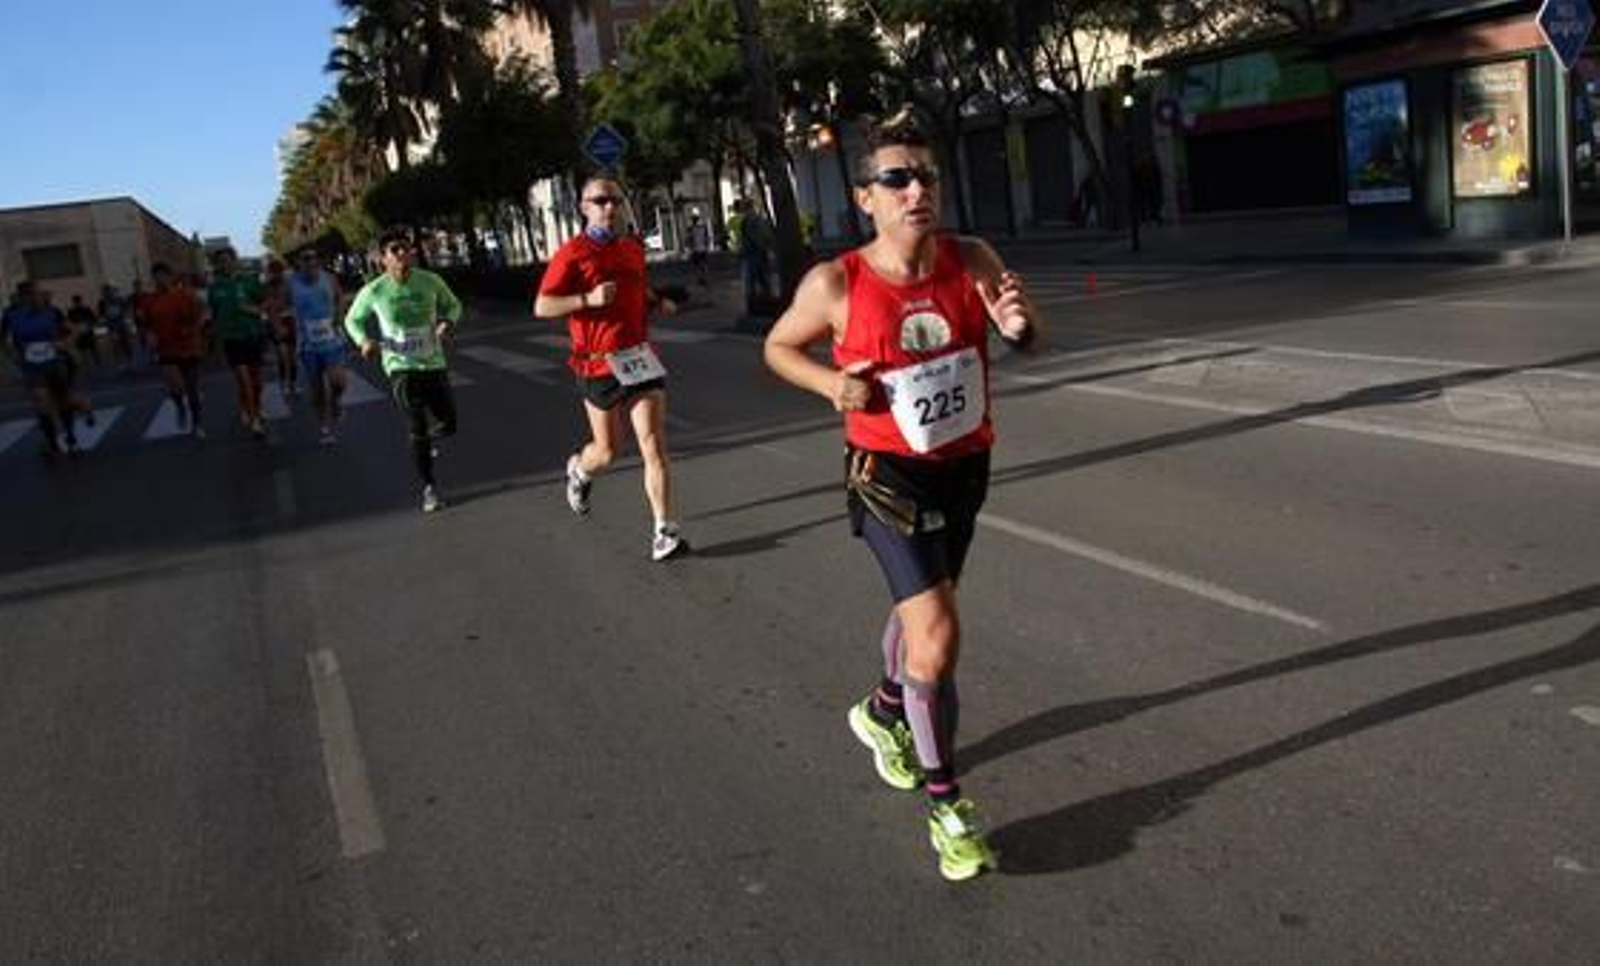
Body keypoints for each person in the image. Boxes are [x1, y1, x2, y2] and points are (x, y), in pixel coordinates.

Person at [762, 111, 1044, 882]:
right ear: (866, 199)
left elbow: (1025, 333)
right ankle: (948, 807)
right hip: (887, 476)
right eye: (898, 178)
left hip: (965, 466)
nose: (917, 188)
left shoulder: (971, 257)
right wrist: (831, 383)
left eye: (927, 175)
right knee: (940, 635)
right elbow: (778, 347)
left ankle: (883, 710)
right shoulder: (835, 283)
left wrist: (1019, 326)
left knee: (925, 612)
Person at [534, 175, 688, 561]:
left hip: (638, 357)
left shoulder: (631, 248)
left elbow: (638, 286)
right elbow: (542, 306)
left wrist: (656, 302)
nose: (609, 207)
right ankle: (580, 471)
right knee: (607, 451)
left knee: (653, 445)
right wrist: (587, 298)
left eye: (615, 200)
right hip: (597, 363)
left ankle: (663, 531)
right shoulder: (571, 254)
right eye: (600, 201)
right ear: (584, 207)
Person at [343, 227, 463, 513]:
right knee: (416, 427)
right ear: (383, 258)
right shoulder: (375, 290)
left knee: (449, 423)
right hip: (400, 366)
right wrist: (363, 341)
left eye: (405, 248)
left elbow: (454, 305)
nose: (402, 253)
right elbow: (352, 320)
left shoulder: (430, 281)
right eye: (394, 250)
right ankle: (430, 487)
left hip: (433, 361)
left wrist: (447, 322)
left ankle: (428, 440)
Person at [2, 281, 84, 455]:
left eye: (41, 294)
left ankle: (70, 436)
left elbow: (74, 330)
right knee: (42, 401)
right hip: (31, 367)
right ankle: (52, 442)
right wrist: (12, 355)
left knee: (63, 401)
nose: (42, 296)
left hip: (55, 363)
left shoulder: (52, 312)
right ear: (27, 297)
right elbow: (2, 339)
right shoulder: (11, 316)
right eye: (38, 294)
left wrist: (65, 343)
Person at [287, 249, 348, 444]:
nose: (310, 261)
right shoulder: (291, 284)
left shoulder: (329, 279)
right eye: (305, 259)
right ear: (299, 263)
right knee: (317, 388)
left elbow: (340, 297)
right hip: (307, 345)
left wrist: (339, 315)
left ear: (318, 261)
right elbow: (274, 304)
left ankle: (336, 402)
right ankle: (324, 427)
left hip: (332, 340)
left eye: (314, 258)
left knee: (338, 382)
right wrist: (278, 325)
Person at [207, 247, 269, 437]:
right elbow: (214, 316)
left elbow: (267, 302)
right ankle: (255, 418)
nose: (225, 264)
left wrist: (256, 310)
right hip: (232, 339)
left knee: (257, 381)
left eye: (228, 259)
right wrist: (215, 343)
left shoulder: (249, 281)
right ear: (217, 265)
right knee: (244, 379)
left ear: (235, 260)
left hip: (253, 335)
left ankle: (252, 406)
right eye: (221, 261)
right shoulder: (215, 288)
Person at [143, 262, 209, 438]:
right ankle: (180, 407)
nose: (160, 280)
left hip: (189, 348)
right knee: (177, 389)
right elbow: (148, 325)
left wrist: (193, 329)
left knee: (192, 390)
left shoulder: (186, 295)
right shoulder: (150, 300)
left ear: (171, 277)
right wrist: (150, 337)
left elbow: (204, 314)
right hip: (166, 351)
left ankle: (197, 424)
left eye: (163, 276)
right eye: (156, 277)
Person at [263, 258, 300, 398]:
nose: (276, 274)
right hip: (275, 322)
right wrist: (275, 324)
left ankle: (293, 384)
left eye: (279, 271)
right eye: (273, 272)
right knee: (282, 356)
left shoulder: (289, 284)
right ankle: (284, 383)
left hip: (289, 320)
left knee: (292, 357)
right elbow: (268, 307)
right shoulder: (267, 286)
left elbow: (293, 302)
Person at [98, 283, 136, 373]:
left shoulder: (118, 299)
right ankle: (120, 362)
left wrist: (127, 316)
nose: (107, 293)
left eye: (108, 291)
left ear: (111, 291)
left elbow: (126, 306)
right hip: (112, 326)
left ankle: (130, 361)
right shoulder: (102, 303)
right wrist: (105, 322)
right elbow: (101, 314)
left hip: (121, 324)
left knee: (126, 343)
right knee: (116, 344)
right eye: (105, 291)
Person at [66, 295, 101, 371]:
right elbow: (69, 322)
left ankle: (97, 362)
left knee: (93, 348)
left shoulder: (86, 309)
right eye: (75, 302)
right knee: (82, 350)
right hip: (79, 334)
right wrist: (74, 329)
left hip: (88, 332)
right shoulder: (71, 312)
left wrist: (89, 326)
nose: (77, 303)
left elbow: (93, 319)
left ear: (80, 301)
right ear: (73, 302)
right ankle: (87, 365)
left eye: (78, 301)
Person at [685, 211, 712, 287]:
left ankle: (700, 278)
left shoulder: (690, 229)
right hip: (703, 249)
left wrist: (689, 247)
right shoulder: (703, 227)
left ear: (693, 220)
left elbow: (689, 239)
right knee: (704, 264)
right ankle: (704, 278)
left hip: (696, 250)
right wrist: (707, 246)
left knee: (697, 266)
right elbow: (707, 238)